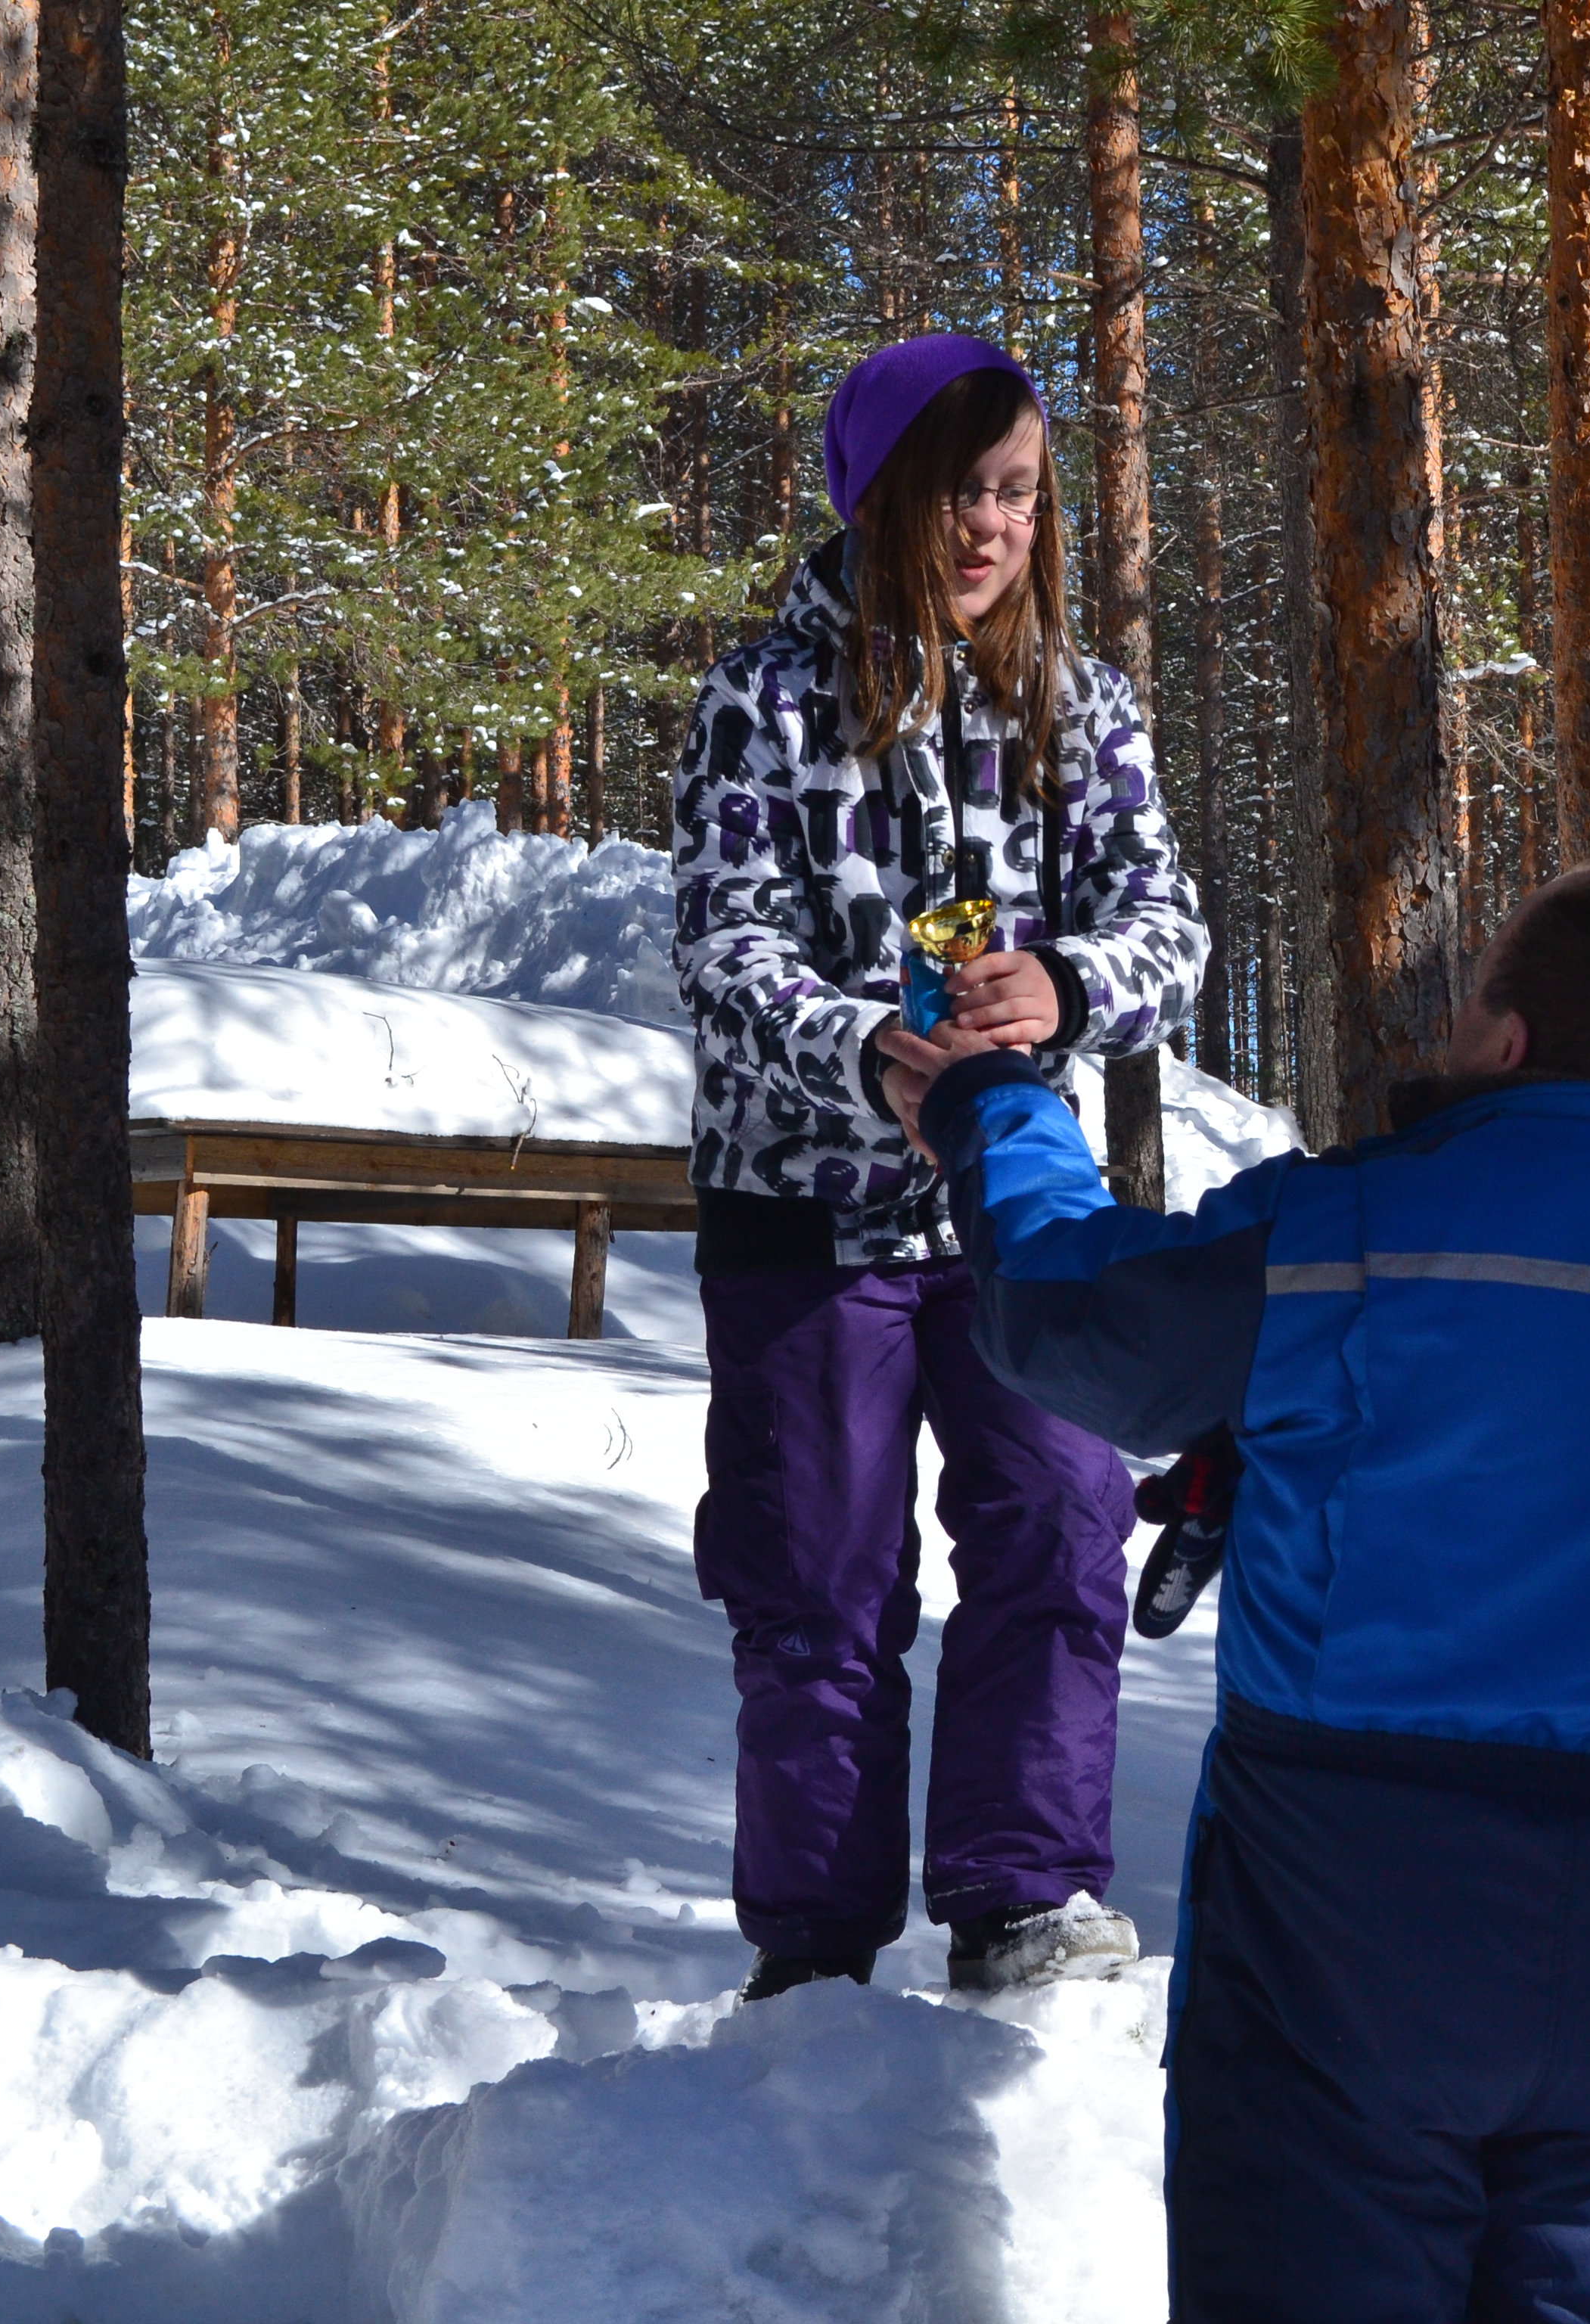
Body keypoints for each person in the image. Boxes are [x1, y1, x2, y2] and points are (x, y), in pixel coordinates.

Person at [885, 860, 1590, 2323]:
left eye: (1473, 1008)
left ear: (1512, 1041)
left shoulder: (1360, 1230)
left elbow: (1071, 1317)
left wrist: (991, 1109)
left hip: (1348, 1901)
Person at [669, 334, 1207, 2001]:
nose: (993, 528)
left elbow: (1172, 936)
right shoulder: (762, 702)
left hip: (1026, 1214)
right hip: (803, 1223)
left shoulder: (1080, 704)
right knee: (819, 1584)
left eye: (1022, 495)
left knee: (1059, 1526)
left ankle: (1024, 1900)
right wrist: (865, 1048)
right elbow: (720, 945)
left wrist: (1070, 988)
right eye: (964, 492)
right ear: (884, 494)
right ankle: (816, 1958)